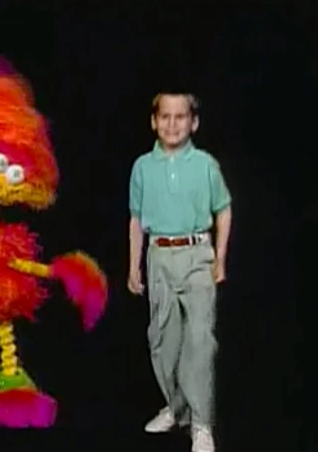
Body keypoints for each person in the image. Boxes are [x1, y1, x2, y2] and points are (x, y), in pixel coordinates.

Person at [127, 92, 232, 452]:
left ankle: (201, 424)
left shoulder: (205, 164)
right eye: (165, 117)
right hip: (159, 255)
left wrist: (220, 258)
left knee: (200, 341)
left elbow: (223, 209)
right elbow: (137, 219)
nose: (172, 124)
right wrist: (133, 264)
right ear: (154, 121)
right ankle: (177, 407)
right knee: (163, 341)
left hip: (197, 254)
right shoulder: (143, 167)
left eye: (181, 117)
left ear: (194, 122)